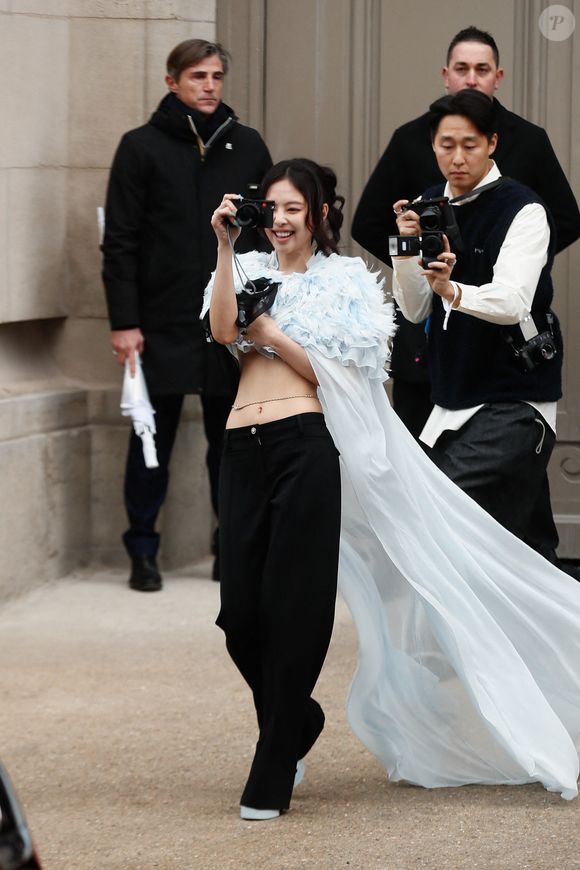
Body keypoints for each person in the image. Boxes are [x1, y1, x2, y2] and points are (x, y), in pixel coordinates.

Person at [204, 157, 580, 819]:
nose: (283, 219)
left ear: (317, 215)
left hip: (308, 449)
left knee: (295, 607)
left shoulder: (348, 281)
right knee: (238, 615)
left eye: (296, 208)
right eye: (275, 208)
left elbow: (344, 377)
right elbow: (221, 331)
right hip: (242, 447)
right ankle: (297, 722)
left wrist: (274, 335)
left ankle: (271, 768)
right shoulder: (245, 267)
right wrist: (226, 246)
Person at [352, 25, 580, 440]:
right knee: (421, 465)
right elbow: (369, 223)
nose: (471, 78)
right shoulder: (411, 140)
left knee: (501, 478)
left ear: (498, 76)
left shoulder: (528, 142)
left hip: (504, 344)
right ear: (445, 75)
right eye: (462, 68)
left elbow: (563, 219)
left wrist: (504, 263)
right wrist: (427, 266)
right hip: (430, 336)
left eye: (482, 68)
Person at [102, 39, 272, 592]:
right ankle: (143, 550)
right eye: (198, 75)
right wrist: (125, 322)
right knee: (151, 438)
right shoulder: (140, 148)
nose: (209, 85)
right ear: (172, 81)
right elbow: (121, 241)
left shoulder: (247, 146)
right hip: (159, 324)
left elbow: (271, 237)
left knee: (232, 443)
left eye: (217, 75)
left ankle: (231, 549)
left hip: (229, 322)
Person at [391, 88, 567, 572]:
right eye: (447, 145)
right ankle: (545, 638)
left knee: (439, 512)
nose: (457, 157)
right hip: (450, 401)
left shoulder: (524, 209)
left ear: (492, 143)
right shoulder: (427, 205)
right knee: (520, 553)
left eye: (470, 144)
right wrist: (406, 254)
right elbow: (412, 309)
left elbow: (513, 302)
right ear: (432, 145)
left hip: (514, 401)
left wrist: (454, 290)